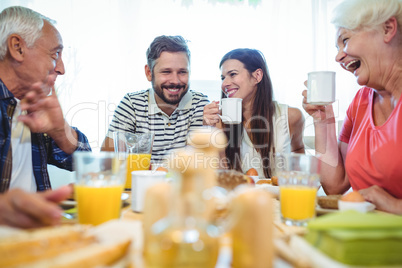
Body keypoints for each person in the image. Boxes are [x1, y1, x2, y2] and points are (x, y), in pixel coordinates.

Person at [302, 0, 402, 214]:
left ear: (388, 29)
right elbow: (335, 185)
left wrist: (393, 205)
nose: (338, 56)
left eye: (345, 40)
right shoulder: (361, 102)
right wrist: (322, 119)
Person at [0, 6, 91, 227]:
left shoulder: (31, 105)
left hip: (36, 234)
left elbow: (85, 162)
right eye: (55, 54)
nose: (61, 68)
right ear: (17, 48)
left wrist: (60, 131)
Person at [101, 35, 209, 162]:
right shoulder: (132, 104)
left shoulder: (200, 105)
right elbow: (106, 162)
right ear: (149, 73)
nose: (175, 80)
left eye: (182, 72)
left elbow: (196, 163)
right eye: (166, 72)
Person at [203, 48, 305, 178]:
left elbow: (298, 151)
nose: (225, 83)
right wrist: (209, 131)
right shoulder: (220, 122)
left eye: (232, 74)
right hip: (241, 196)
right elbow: (222, 175)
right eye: (223, 77)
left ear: (257, 76)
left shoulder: (292, 116)